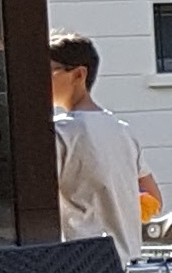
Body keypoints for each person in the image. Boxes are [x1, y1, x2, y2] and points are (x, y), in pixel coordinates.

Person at [47, 31, 157, 243]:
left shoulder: (61, 132)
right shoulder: (123, 131)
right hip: (126, 256)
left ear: (79, 74)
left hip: (81, 255)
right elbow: (153, 196)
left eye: (49, 70)